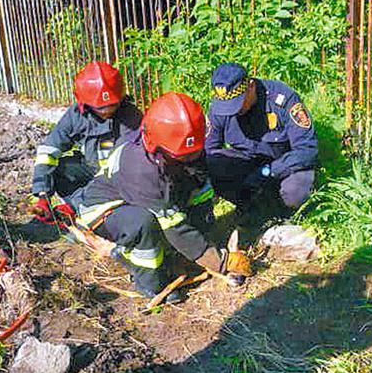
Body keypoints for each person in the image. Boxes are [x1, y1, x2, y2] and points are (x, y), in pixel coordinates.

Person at [67, 92, 250, 303]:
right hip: (105, 209)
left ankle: (170, 254)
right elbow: (175, 227)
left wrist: (204, 234)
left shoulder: (182, 147)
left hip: (145, 199)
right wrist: (221, 262)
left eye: (193, 153)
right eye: (183, 157)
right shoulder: (141, 169)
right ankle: (146, 277)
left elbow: (198, 188)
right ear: (155, 146)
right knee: (143, 223)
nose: (191, 159)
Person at [29, 61, 142, 223]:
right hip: (91, 167)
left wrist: (77, 204)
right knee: (61, 169)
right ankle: (78, 208)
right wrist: (42, 195)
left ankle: (85, 209)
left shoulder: (131, 117)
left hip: (121, 178)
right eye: (101, 108)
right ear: (85, 103)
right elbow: (48, 150)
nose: (107, 111)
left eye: (112, 105)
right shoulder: (76, 116)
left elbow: (119, 170)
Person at [205, 62, 318, 218]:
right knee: (211, 165)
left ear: (251, 86)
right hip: (246, 163)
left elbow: (307, 150)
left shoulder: (282, 99)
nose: (234, 110)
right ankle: (252, 208)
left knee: (295, 193)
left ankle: (281, 214)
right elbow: (209, 150)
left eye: (238, 103)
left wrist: (268, 171)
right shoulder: (221, 107)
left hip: (283, 165)